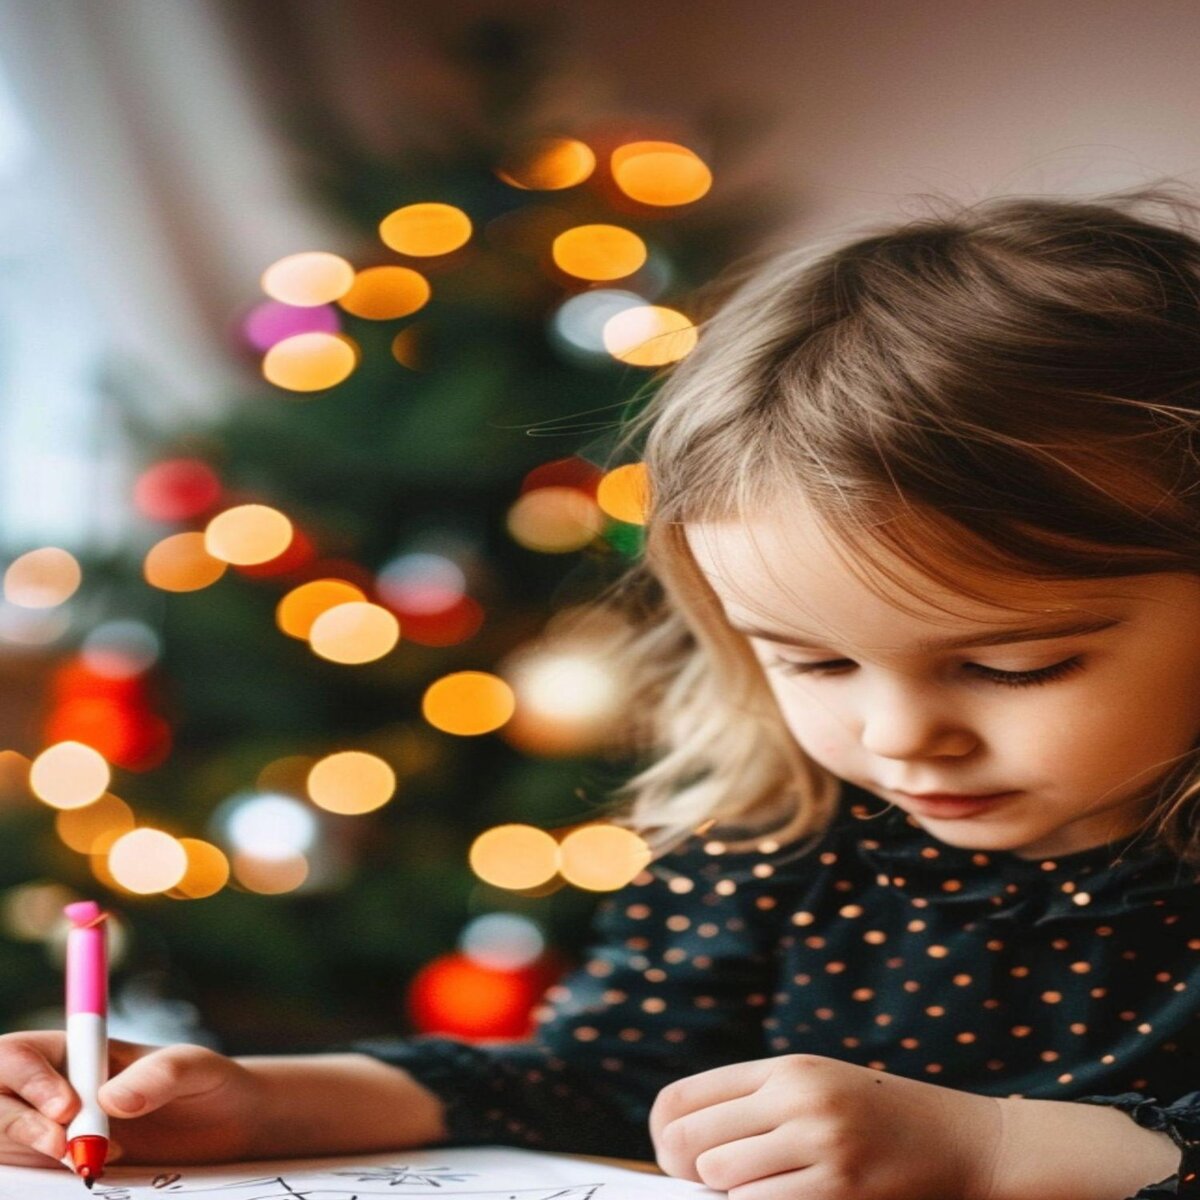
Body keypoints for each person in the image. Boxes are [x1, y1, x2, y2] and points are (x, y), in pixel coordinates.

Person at [3, 184, 1200, 1200]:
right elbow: (586, 1077)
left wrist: (988, 1149)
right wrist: (261, 1107)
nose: (900, 739)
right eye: (811, 660)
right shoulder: (782, 841)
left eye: (1010, 665)